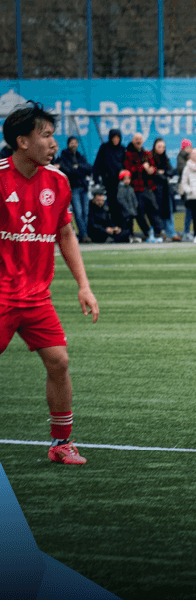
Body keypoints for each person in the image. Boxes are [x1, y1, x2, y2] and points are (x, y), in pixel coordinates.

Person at [0, 102, 100, 465]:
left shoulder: (57, 180)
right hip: (1, 293)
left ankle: (62, 443)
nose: (53, 143)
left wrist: (83, 285)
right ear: (22, 142)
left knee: (59, 361)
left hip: (36, 297)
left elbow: (66, 234)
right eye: (46, 136)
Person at [123, 132, 163, 241]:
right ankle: (147, 232)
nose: (138, 141)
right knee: (139, 212)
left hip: (148, 187)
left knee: (154, 210)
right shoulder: (128, 154)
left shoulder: (147, 153)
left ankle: (158, 232)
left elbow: (153, 168)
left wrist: (151, 170)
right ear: (133, 141)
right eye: (136, 139)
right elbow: (129, 170)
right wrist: (142, 168)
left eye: (140, 139)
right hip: (136, 188)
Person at [58, 136, 93, 242]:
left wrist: (78, 167)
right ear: (68, 144)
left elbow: (89, 169)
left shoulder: (80, 156)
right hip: (73, 188)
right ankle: (84, 235)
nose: (74, 144)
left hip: (84, 187)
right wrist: (79, 170)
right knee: (78, 212)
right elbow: (67, 171)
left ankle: (84, 234)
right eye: (72, 142)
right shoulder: (63, 157)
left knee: (85, 212)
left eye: (75, 143)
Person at [92, 128, 125, 226]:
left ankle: (122, 229)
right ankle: (113, 226)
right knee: (111, 206)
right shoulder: (104, 147)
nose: (115, 140)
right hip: (108, 182)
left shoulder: (122, 149)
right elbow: (97, 164)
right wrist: (96, 178)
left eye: (117, 138)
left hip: (120, 183)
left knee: (121, 205)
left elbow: (126, 165)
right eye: (114, 137)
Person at [151, 138, 181, 241]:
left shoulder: (165, 158)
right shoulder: (150, 158)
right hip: (154, 189)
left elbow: (170, 171)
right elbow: (154, 173)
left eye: (163, 147)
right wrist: (163, 175)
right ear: (155, 147)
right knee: (156, 212)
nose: (161, 149)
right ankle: (159, 232)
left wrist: (163, 173)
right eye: (159, 146)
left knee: (169, 212)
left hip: (165, 190)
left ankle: (171, 233)